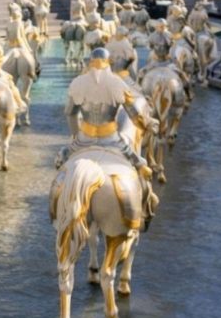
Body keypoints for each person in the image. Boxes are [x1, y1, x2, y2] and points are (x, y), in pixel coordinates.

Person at [58, 47, 156, 220]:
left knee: (60, 165)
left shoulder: (78, 82)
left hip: (83, 139)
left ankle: (56, 209)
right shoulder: (118, 83)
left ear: (90, 62)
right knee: (141, 166)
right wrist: (148, 123)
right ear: (108, 63)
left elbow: (70, 113)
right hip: (112, 140)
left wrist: (74, 137)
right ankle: (145, 210)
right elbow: (134, 114)